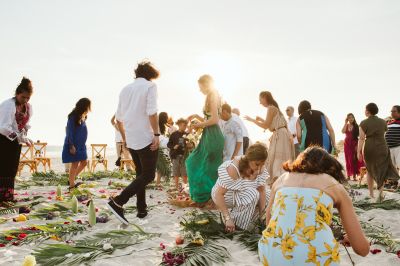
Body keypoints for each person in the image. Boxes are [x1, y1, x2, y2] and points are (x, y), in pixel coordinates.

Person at [258, 146, 370, 265]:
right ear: (331, 168)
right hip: (315, 259)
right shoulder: (334, 186)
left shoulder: (281, 180)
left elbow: (270, 225)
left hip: (271, 254)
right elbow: (362, 250)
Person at [107, 60, 160, 223]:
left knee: (140, 174)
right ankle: (119, 201)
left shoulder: (125, 89)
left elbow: (118, 119)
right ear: (150, 75)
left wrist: (124, 139)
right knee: (149, 174)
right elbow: (152, 112)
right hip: (145, 137)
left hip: (131, 137)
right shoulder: (150, 87)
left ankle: (141, 209)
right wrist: (157, 134)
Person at [185, 74, 224, 205]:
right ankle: (206, 198)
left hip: (213, 136)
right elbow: (209, 119)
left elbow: (214, 120)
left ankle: (210, 199)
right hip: (209, 135)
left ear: (206, 84)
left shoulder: (213, 95)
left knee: (208, 168)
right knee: (196, 163)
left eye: (200, 87)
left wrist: (198, 125)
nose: (199, 90)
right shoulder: (211, 96)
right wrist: (198, 117)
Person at [212, 143, 269, 231]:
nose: (259, 167)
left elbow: (261, 191)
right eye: (257, 164)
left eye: (262, 164)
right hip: (226, 196)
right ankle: (236, 225)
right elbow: (219, 194)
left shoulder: (261, 168)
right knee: (252, 194)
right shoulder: (233, 169)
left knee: (269, 195)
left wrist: (262, 215)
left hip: (242, 192)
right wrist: (227, 218)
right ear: (249, 159)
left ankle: (255, 221)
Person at [245, 91, 294, 183]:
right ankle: (280, 180)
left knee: (277, 159)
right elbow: (272, 127)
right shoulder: (275, 108)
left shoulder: (271, 108)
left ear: (265, 97)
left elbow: (265, 126)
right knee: (278, 159)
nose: (260, 103)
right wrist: (261, 120)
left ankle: (277, 180)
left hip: (280, 135)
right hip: (280, 134)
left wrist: (252, 120)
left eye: (260, 100)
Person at [0, 77, 33, 203]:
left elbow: (24, 125)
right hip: (3, 140)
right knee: (3, 168)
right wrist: (19, 137)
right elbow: (3, 128)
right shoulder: (8, 105)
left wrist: (23, 137)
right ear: (17, 94)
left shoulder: (28, 107)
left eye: (27, 98)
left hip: (14, 141)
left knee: (12, 168)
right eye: (23, 97)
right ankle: (2, 198)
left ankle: (7, 197)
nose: (25, 100)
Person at [358, 103, 399, 200]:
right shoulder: (383, 122)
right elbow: (384, 133)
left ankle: (371, 194)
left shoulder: (363, 123)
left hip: (369, 147)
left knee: (369, 170)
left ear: (367, 111)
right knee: (382, 169)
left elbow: (362, 139)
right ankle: (380, 193)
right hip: (382, 146)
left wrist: (358, 151)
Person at [62, 98, 91, 190]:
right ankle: (71, 185)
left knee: (84, 162)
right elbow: (69, 131)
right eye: (88, 106)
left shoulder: (83, 116)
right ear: (84, 106)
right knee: (74, 164)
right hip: (74, 144)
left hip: (81, 145)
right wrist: (71, 145)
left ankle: (72, 179)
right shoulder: (73, 116)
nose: (89, 108)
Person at [167, 118, 189, 190]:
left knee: (184, 173)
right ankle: (176, 188)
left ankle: (184, 188)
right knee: (176, 172)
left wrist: (190, 145)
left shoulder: (187, 134)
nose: (185, 127)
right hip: (175, 155)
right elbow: (168, 144)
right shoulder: (174, 134)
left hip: (184, 156)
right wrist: (173, 147)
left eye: (186, 126)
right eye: (183, 125)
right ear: (179, 125)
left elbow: (191, 144)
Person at [342, 113, 364, 180]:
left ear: (354, 118)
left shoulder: (356, 126)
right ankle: (348, 175)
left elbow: (360, 136)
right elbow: (343, 131)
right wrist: (345, 123)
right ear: (347, 119)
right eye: (349, 117)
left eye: (352, 117)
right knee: (348, 159)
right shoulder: (347, 125)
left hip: (354, 143)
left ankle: (354, 176)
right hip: (347, 144)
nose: (351, 119)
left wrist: (357, 146)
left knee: (354, 159)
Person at [155, 112, 171, 187]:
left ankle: (158, 182)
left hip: (160, 146)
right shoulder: (160, 126)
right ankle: (158, 182)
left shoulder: (161, 125)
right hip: (160, 146)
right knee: (161, 165)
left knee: (160, 165)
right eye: (167, 117)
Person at [385, 105, 400, 171]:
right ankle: (394, 180)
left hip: (398, 147)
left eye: (394, 111)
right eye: (391, 111)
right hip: (389, 148)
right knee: (392, 166)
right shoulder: (389, 122)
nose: (392, 113)